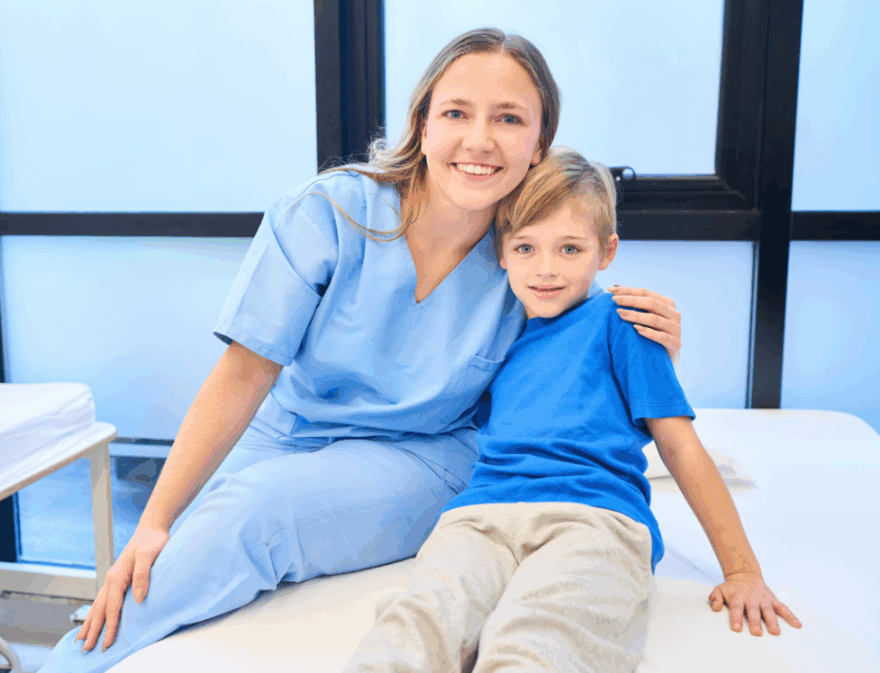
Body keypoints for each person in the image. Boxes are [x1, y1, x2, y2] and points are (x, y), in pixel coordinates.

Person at [41, 29, 684, 671]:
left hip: (430, 454)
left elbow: (583, 366)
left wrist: (653, 348)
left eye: (509, 118)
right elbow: (243, 375)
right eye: (456, 112)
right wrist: (156, 520)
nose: (480, 140)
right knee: (188, 543)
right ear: (423, 125)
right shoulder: (332, 213)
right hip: (289, 435)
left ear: (538, 143)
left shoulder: (528, 255)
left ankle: (66, 664)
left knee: (254, 513)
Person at [342, 147, 801, 673]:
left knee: (537, 634)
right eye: (526, 248)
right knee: (420, 616)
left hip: (594, 520)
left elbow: (679, 444)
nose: (545, 270)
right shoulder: (495, 333)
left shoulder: (625, 321)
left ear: (606, 252)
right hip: (480, 518)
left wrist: (741, 570)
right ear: (501, 251)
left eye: (569, 249)